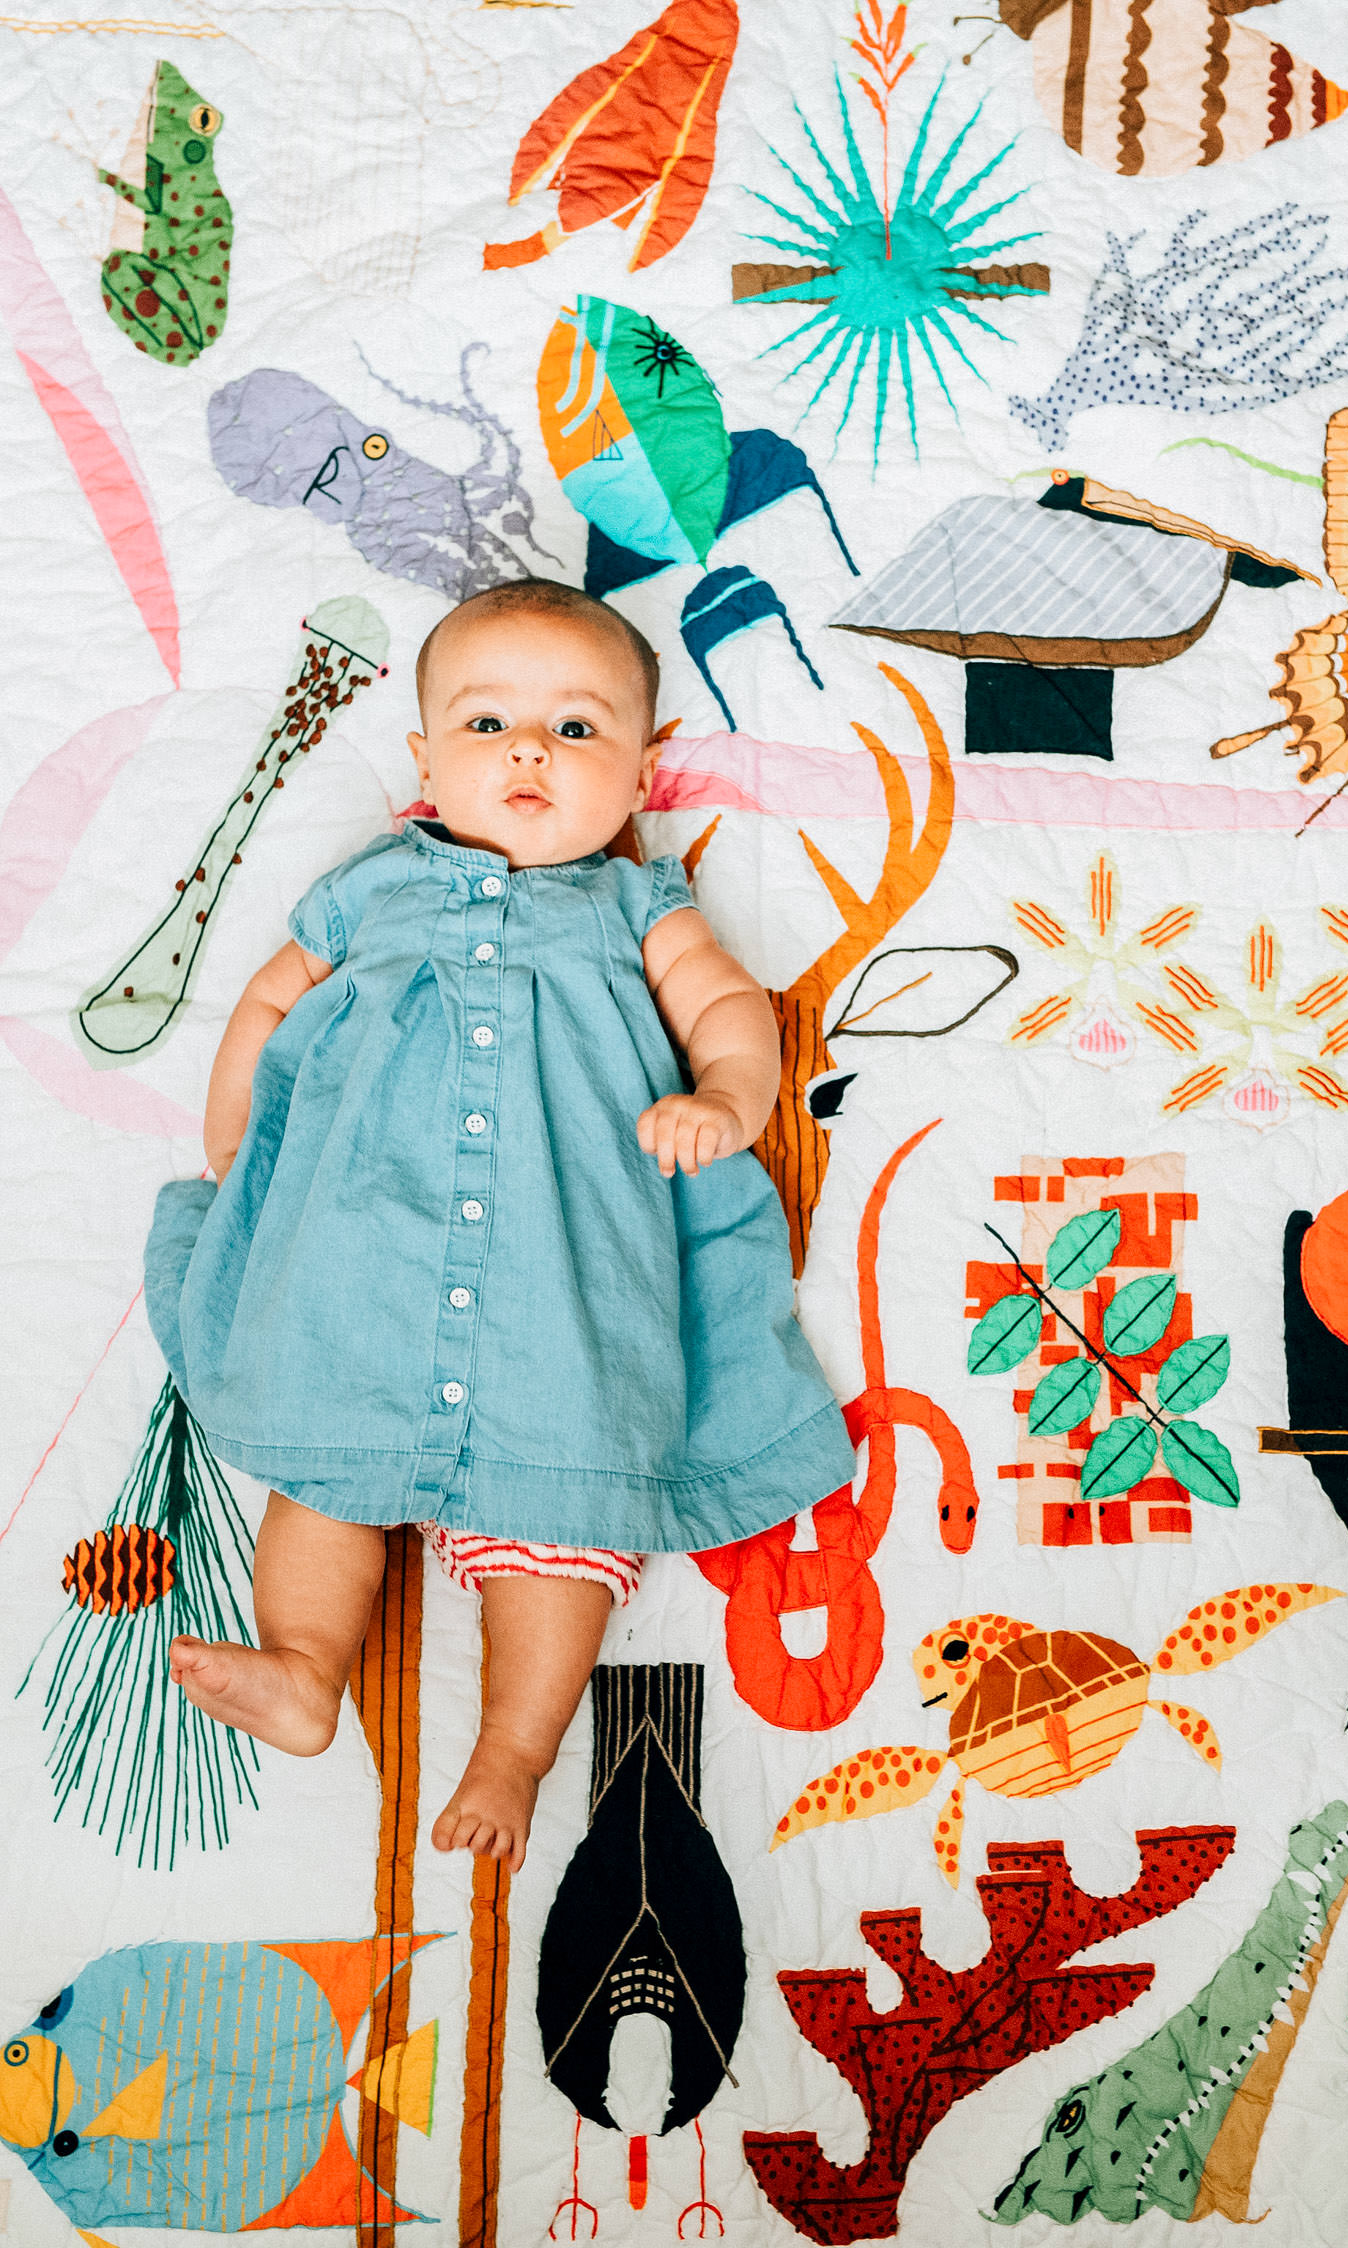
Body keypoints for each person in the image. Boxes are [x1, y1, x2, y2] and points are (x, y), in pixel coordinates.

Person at [146, 579, 855, 1869]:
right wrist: (243, 1146)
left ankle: (512, 1751)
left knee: (565, 1525)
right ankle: (305, 1670)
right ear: (423, 762)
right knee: (322, 1478)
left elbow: (728, 1004)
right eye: (487, 725)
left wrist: (730, 1097)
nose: (530, 751)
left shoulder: (640, 908)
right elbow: (261, 1004)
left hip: (562, 1286)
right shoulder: (366, 893)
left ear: (644, 770)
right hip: (367, 1253)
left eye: (577, 731)